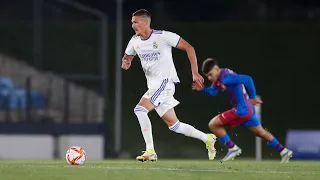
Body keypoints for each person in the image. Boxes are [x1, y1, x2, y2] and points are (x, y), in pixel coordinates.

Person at [121, 9, 216, 162]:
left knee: (140, 109)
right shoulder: (134, 41)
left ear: (145, 22)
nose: (133, 25)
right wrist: (126, 62)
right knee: (174, 125)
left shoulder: (163, 36)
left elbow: (189, 48)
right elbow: (128, 56)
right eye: (132, 22)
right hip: (153, 86)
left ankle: (150, 150)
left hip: (165, 82)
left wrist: (195, 73)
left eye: (135, 22)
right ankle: (207, 138)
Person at [192, 58, 293, 163]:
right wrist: (203, 89)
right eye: (207, 75)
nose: (209, 78)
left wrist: (253, 97)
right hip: (248, 109)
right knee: (260, 132)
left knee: (213, 124)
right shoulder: (219, 78)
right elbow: (213, 92)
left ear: (217, 69)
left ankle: (232, 148)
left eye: (210, 74)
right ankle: (284, 151)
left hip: (241, 110)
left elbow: (247, 79)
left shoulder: (226, 77)